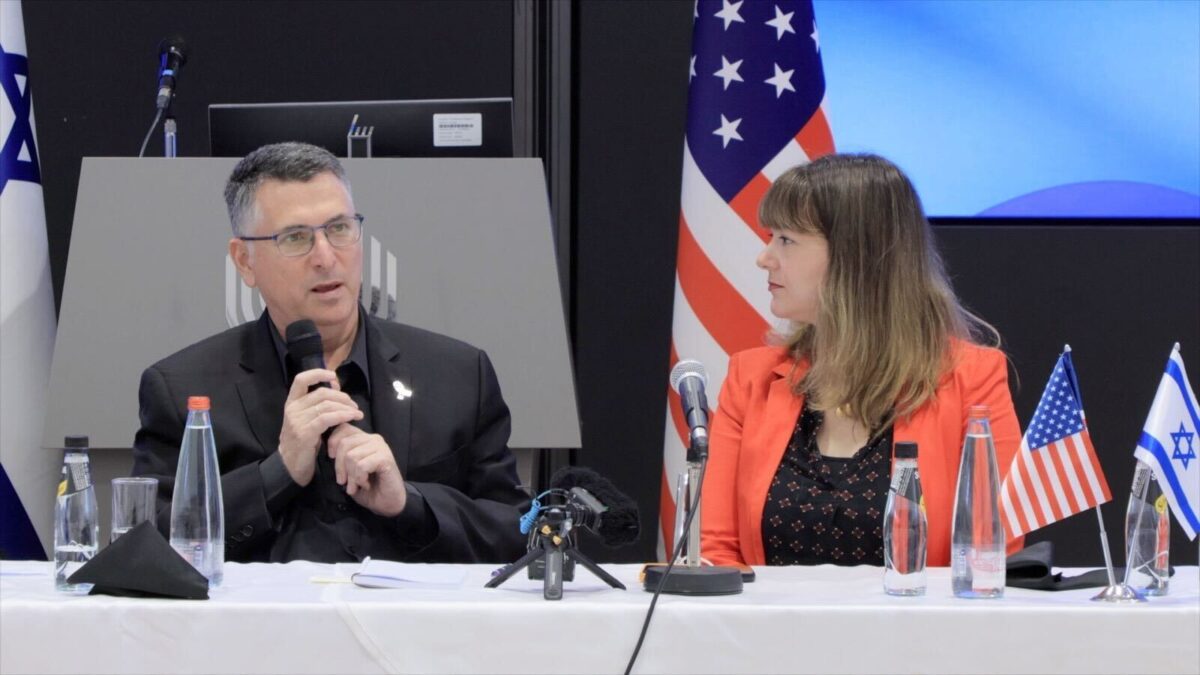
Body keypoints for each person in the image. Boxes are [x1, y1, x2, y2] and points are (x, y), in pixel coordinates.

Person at [132, 142, 528, 563]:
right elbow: (146, 554)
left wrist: (410, 503)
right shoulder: (182, 390)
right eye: (295, 238)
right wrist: (277, 474)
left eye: (339, 228)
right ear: (245, 261)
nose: (325, 257)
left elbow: (517, 534)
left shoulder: (458, 375)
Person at [701, 154, 1023, 568]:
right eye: (771, 237)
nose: (764, 258)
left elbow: (991, 555)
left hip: (919, 613)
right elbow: (718, 551)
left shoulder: (972, 379)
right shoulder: (750, 379)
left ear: (855, 257)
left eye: (786, 240)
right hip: (765, 613)